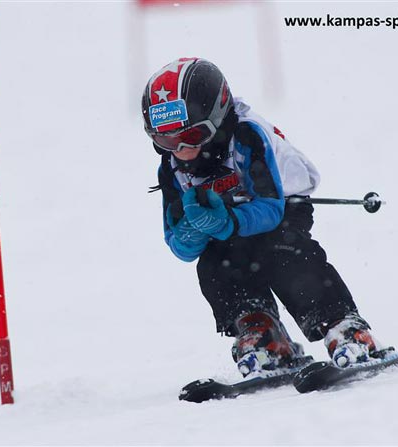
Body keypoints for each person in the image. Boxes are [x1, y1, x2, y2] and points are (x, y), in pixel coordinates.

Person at [142, 57, 384, 375]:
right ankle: (261, 330)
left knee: (282, 252)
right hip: (228, 218)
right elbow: (179, 246)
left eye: (193, 135)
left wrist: (229, 221)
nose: (182, 149)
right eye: (166, 139)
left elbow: (271, 210)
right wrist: (195, 229)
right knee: (216, 264)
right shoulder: (170, 167)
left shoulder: (246, 136)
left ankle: (343, 326)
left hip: (283, 206)